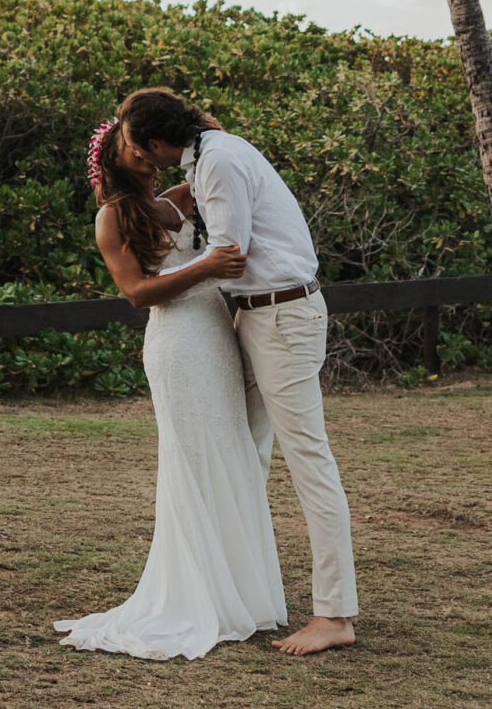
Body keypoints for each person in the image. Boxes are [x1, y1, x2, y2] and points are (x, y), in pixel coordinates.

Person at [119, 87, 359, 656]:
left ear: (156, 142)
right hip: (254, 316)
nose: (132, 151)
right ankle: (239, 592)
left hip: (281, 316)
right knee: (242, 452)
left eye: (134, 141)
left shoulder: (219, 160)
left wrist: (174, 275)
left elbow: (232, 253)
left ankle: (335, 614)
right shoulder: (209, 155)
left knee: (308, 458)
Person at [53, 112, 284, 660]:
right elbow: (136, 292)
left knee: (230, 452)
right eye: (138, 157)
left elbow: (213, 167)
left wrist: (210, 130)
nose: (151, 165)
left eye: (151, 153)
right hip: (178, 345)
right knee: (194, 460)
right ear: (115, 158)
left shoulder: (172, 202)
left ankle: (240, 594)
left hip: (214, 337)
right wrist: (207, 267)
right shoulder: (111, 218)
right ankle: (196, 595)